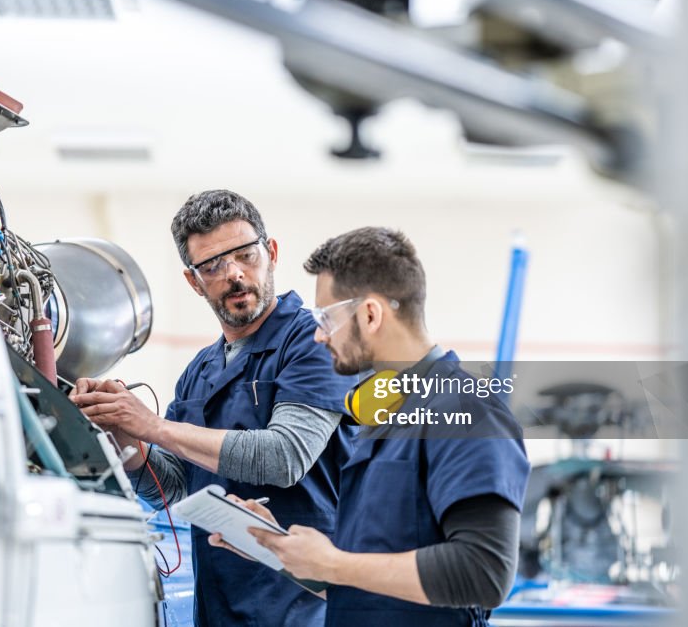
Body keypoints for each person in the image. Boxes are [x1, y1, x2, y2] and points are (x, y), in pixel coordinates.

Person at [213, 227, 531, 627]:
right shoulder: (386, 422)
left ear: (370, 314)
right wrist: (279, 549)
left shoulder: (466, 411)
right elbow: (366, 585)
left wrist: (334, 562)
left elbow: (484, 571)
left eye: (326, 318)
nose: (318, 335)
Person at [70, 190, 357, 627]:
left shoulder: (314, 342)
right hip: (220, 605)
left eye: (245, 255)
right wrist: (124, 434)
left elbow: (285, 457)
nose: (235, 274)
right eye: (212, 266)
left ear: (272, 252)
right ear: (193, 281)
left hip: (305, 609)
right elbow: (176, 487)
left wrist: (152, 425)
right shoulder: (198, 372)